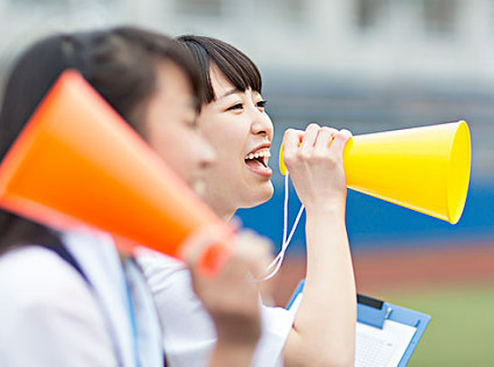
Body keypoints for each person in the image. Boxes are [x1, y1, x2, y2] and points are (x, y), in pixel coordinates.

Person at [0, 27, 272, 367]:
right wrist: (235, 345)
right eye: (186, 122)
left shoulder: (122, 272)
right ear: (111, 134)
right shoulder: (44, 294)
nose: (206, 154)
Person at [138, 35, 357, 367]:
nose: (264, 125)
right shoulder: (171, 267)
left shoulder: (187, 252)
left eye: (260, 105)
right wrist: (325, 204)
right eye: (236, 107)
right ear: (178, 132)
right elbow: (324, 361)